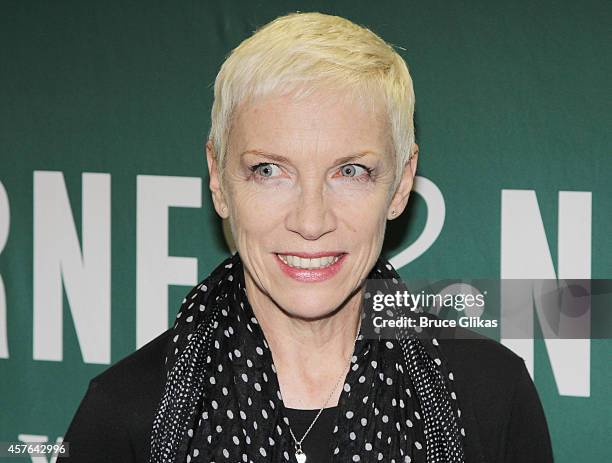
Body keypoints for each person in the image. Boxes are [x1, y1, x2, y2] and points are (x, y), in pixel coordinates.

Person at [59, 11, 554, 463]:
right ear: (218, 178)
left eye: (351, 171)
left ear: (401, 183)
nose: (312, 221)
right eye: (270, 170)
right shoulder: (128, 415)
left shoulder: (490, 395)